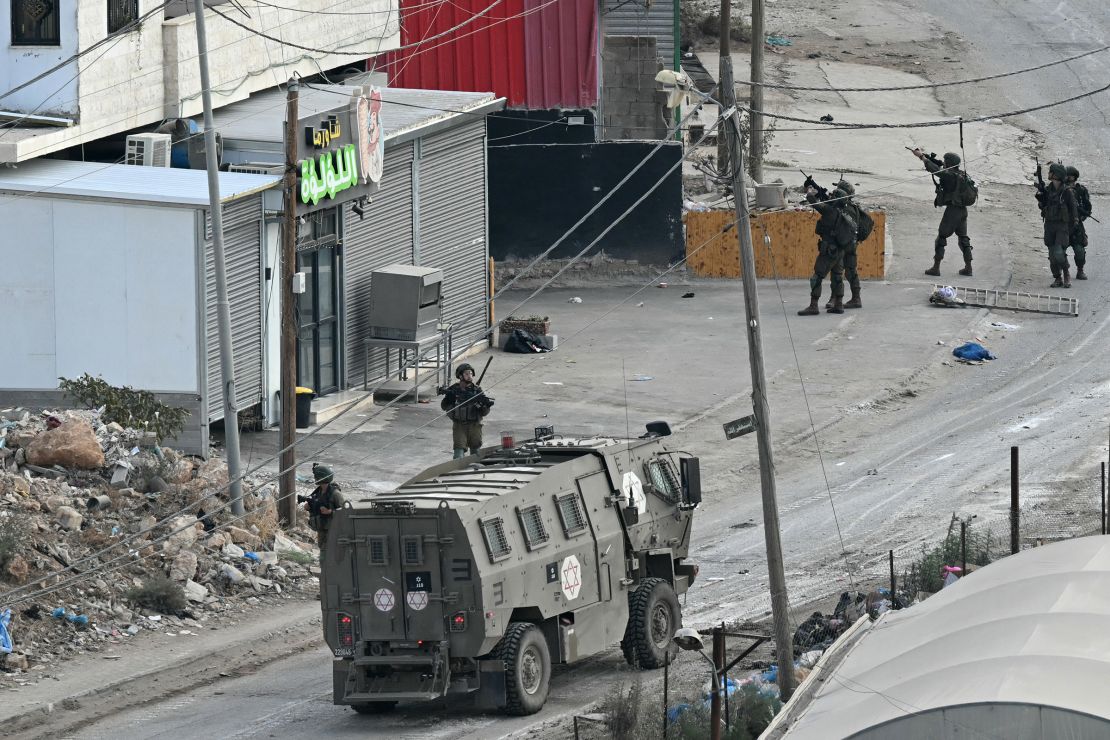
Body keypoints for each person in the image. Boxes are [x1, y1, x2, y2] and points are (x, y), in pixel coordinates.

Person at [912, 149, 974, 277]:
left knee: (941, 238)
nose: (944, 163)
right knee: (963, 238)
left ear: (950, 163)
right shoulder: (961, 174)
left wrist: (922, 157)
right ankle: (968, 267)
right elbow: (940, 167)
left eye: (946, 162)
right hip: (962, 210)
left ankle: (936, 268)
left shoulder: (949, 176)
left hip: (953, 211)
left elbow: (935, 169)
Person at [798, 180, 853, 315]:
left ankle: (813, 305)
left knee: (817, 277)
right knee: (837, 276)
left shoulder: (829, 211)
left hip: (829, 250)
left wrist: (810, 191)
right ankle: (839, 304)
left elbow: (813, 201)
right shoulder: (844, 212)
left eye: (833, 195)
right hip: (840, 250)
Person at [1036, 162, 1078, 288]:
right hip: (1049, 225)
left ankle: (1066, 273)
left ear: (1056, 175)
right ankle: (1057, 278)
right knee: (1052, 255)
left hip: (1061, 226)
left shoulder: (1066, 191)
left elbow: (1073, 207)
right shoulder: (1048, 189)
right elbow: (1042, 205)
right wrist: (1040, 196)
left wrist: (1075, 221)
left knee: (1059, 252)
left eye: (1051, 172)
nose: (1049, 174)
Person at [441, 363, 493, 458]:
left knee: (476, 453)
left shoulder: (476, 390)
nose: (469, 376)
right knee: (458, 454)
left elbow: (485, 413)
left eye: (470, 373)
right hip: (459, 426)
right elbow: (444, 406)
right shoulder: (454, 389)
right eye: (466, 374)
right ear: (460, 376)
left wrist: (484, 406)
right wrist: (450, 401)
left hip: (474, 425)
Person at [829, 179, 864, 309]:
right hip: (852, 244)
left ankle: (835, 298)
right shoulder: (854, 208)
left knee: (837, 271)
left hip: (842, 244)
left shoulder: (841, 207)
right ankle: (856, 298)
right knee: (851, 271)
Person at [302, 463, 347, 552]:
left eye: (316, 477)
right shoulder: (318, 492)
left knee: (331, 552)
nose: (315, 479)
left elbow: (345, 512)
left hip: (333, 529)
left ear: (321, 477)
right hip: (321, 529)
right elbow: (316, 506)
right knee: (323, 550)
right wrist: (309, 507)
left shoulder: (335, 494)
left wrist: (330, 512)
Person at [1065, 165, 1091, 280]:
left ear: (1073, 177)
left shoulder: (1081, 190)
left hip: (1076, 225)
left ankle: (1080, 270)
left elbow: (1087, 207)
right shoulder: (1061, 189)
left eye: (1068, 175)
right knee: (1058, 251)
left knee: (1080, 250)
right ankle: (1062, 271)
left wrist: (1081, 217)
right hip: (1063, 224)